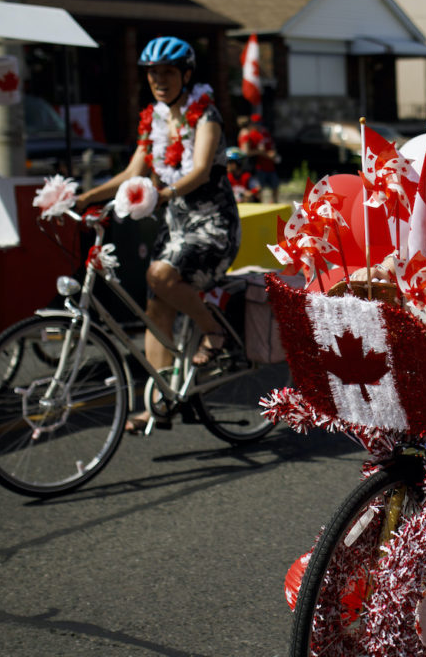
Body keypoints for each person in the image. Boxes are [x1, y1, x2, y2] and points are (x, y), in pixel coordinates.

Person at [76, 36, 243, 431]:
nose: (159, 80)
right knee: (156, 311)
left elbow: (200, 169)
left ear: (186, 75)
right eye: (153, 73)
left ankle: (213, 331)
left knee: (159, 276)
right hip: (176, 226)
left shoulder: (206, 115)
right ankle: (159, 402)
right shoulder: (153, 120)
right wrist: (84, 196)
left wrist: (163, 194)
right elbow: (132, 172)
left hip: (212, 226)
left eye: (167, 72)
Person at [236, 113, 280, 203]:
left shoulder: (261, 133)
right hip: (253, 166)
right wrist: (262, 152)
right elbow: (246, 152)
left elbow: (270, 146)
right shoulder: (246, 134)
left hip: (263, 165)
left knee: (271, 187)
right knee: (257, 189)